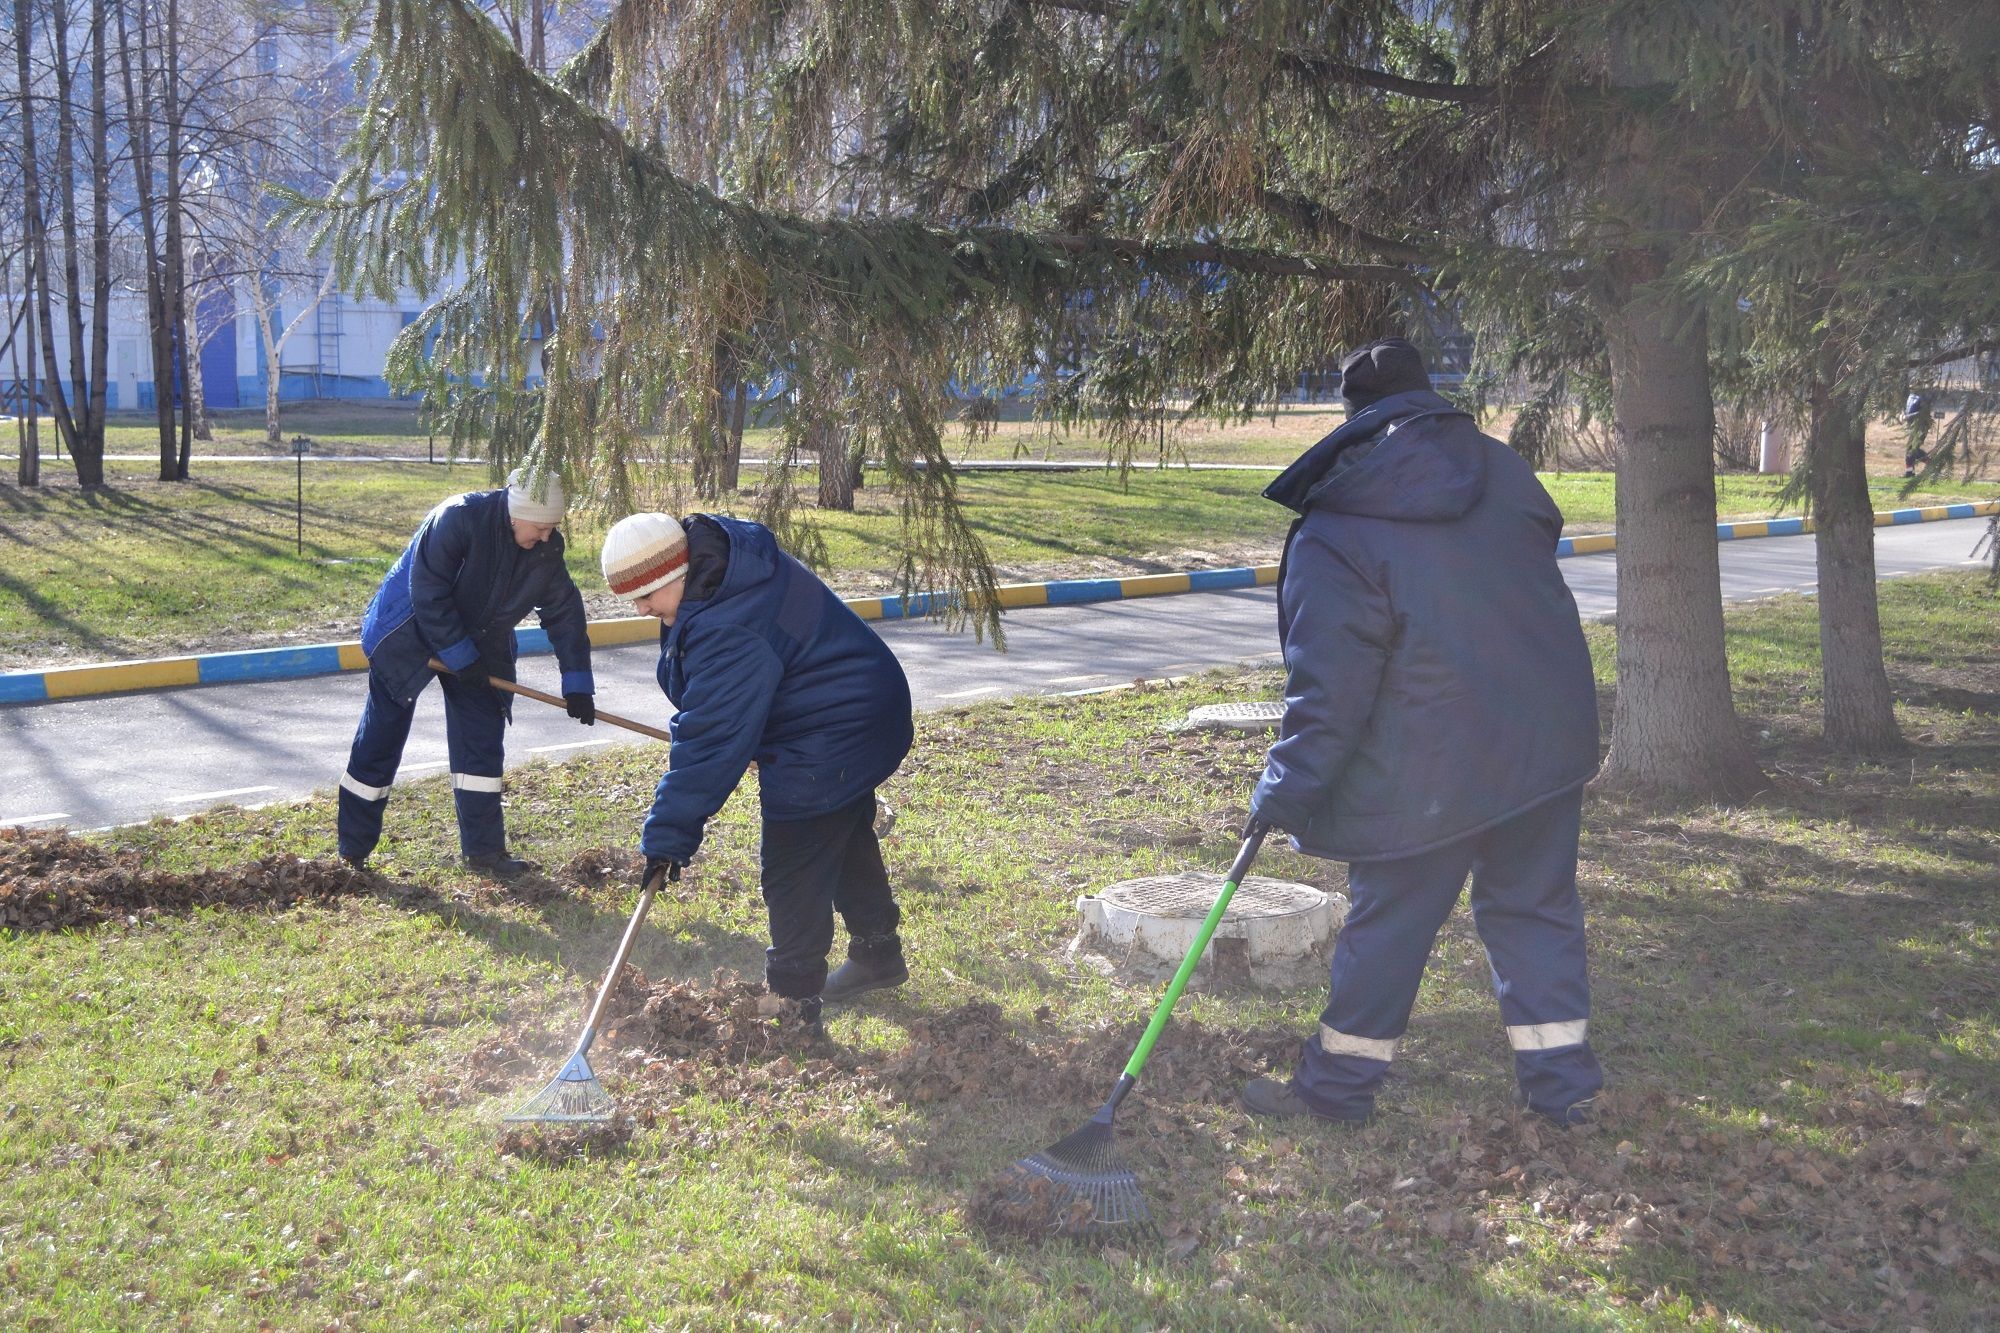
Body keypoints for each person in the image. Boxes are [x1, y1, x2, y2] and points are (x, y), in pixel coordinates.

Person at [1239, 338, 1605, 1127]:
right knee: (1533, 907)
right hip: (1544, 735)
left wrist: (1283, 791)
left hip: (1430, 759)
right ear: (1426, 392)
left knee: (1391, 922)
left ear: (1352, 414)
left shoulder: (1336, 526)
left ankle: (1336, 1092)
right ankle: (1565, 1093)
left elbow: (1329, 689)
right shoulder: (1506, 470)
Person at [600, 510, 914, 1023]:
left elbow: (710, 741)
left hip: (835, 728)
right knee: (841, 831)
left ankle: (794, 1008)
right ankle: (877, 955)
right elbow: (719, 709)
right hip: (859, 704)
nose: (642, 608)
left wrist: (668, 837)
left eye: (646, 595)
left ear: (673, 575)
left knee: (794, 864)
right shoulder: (724, 568)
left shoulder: (728, 623)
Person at [336, 468, 596, 878]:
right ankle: (352, 850)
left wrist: (578, 684)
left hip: (482, 640)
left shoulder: (544, 551)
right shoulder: (458, 518)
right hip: (408, 633)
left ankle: (486, 854)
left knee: (481, 737)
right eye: (541, 527)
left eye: (553, 529)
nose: (547, 537)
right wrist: (460, 657)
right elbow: (429, 594)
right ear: (517, 513)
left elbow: (564, 613)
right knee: (382, 737)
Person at [1903, 391, 1933, 478]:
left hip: (1921, 427)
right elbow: (1908, 408)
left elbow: (1923, 413)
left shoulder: (1923, 397)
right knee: (1910, 449)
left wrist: (1908, 416)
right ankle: (1909, 472)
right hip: (1913, 427)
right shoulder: (1910, 396)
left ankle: (1931, 464)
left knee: (1913, 449)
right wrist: (1903, 414)